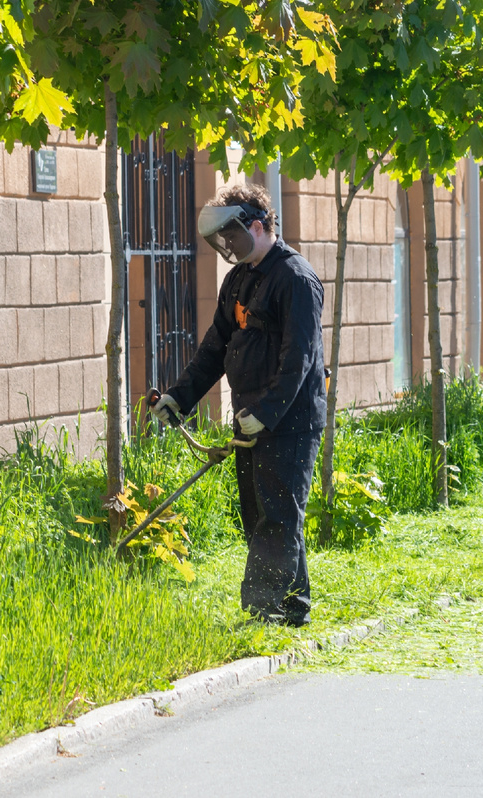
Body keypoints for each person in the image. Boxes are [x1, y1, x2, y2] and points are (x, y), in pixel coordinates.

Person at [152, 183, 326, 626]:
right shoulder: (238, 280)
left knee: (278, 517)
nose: (227, 246)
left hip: (290, 422)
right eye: (222, 240)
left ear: (256, 225)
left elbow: (299, 361)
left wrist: (266, 413)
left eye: (232, 235)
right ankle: (294, 609)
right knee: (263, 516)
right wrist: (179, 397)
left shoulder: (296, 279)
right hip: (251, 421)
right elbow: (215, 349)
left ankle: (261, 614)